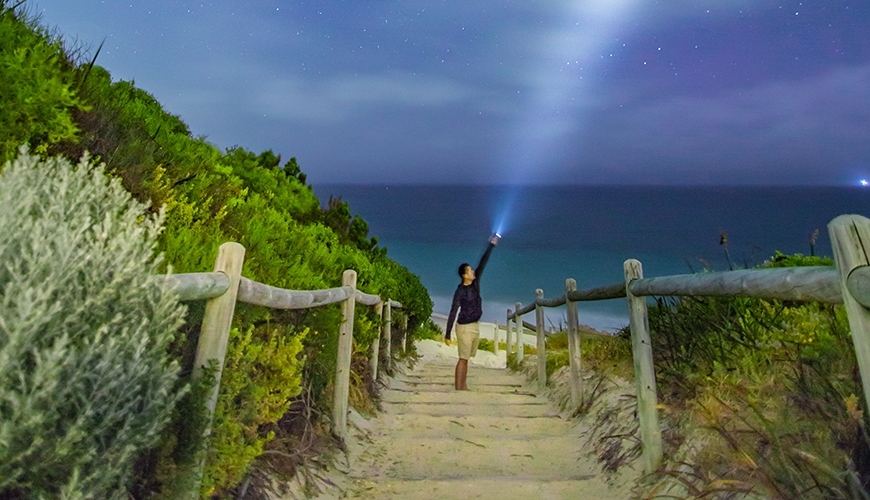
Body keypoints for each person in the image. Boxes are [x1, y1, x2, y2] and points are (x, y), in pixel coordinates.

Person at [445, 234, 499, 390]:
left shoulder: (475, 284)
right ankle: (459, 387)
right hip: (464, 328)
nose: (473, 271)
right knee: (463, 358)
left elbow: (483, 263)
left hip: (474, 326)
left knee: (467, 358)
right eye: (470, 270)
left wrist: (491, 245)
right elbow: (453, 310)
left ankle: (463, 385)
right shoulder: (460, 291)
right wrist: (447, 333)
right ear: (464, 275)